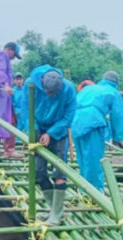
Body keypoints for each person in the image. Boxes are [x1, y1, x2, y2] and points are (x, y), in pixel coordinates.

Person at [20, 65, 76, 225]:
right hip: (38, 126)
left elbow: (69, 115)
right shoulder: (30, 84)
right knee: (38, 170)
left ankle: (56, 215)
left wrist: (51, 133)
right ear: (42, 83)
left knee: (59, 171)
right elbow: (25, 108)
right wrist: (33, 129)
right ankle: (54, 210)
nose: (51, 96)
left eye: (54, 93)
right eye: (49, 92)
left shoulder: (69, 88)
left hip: (58, 131)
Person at [72, 71, 123, 191]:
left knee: (82, 159)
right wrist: (118, 137)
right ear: (116, 83)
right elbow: (118, 115)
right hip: (92, 121)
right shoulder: (113, 92)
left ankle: (83, 189)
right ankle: (94, 193)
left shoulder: (88, 89)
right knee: (94, 160)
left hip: (75, 121)